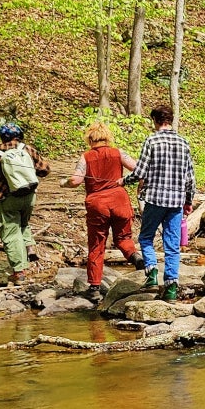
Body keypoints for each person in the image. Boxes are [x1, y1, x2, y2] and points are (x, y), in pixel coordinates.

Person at [63, 123, 142, 301]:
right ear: (108, 138)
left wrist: (65, 183)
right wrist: (126, 181)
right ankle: (135, 257)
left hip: (97, 205)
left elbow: (75, 181)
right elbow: (139, 170)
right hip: (120, 201)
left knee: (97, 245)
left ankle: (95, 288)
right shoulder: (118, 153)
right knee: (123, 238)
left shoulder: (86, 157)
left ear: (90, 139)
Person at [128, 105, 196, 300]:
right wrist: (188, 201)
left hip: (155, 200)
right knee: (172, 245)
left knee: (146, 237)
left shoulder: (151, 140)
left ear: (156, 121)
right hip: (176, 202)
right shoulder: (184, 143)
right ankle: (171, 288)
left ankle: (152, 273)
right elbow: (190, 178)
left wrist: (123, 181)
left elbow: (140, 172)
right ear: (170, 121)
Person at [0, 123, 49, 282]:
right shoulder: (27, 149)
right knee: (23, 224)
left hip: (7, 197)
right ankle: (29, 246)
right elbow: (45, 170)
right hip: (29, 196)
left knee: (11, 231)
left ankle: (19, 271)